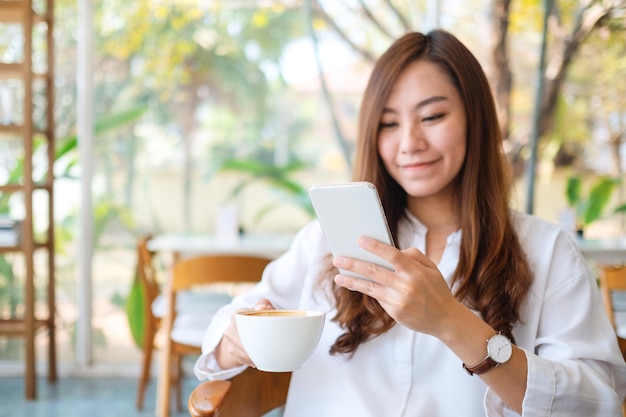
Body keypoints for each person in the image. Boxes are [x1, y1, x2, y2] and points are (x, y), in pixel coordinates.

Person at [194, 29, 626, 416]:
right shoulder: (326, 243)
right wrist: (237, 339)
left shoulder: (545, 250)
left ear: (475, 118)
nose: (410, 144)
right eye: (388, 124)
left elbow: (597, 401)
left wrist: (452, 323)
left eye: (433, 117)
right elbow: (231, 326)